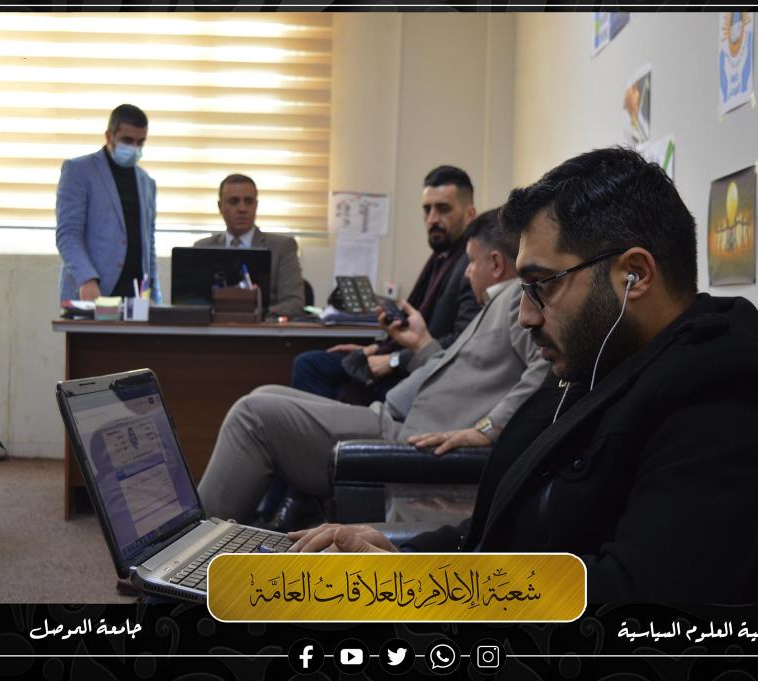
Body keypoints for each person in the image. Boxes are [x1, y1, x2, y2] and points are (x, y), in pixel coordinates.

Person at [286, 147, 758, 605]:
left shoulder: (722, 386)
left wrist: (418, 587)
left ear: (635, 275)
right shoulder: (601, 357)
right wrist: (403, 557)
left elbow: (636, 598)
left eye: (541, 285)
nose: (526, 316)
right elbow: (504, 532)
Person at [197, 209, 546, 524]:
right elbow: (461, 372)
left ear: (495, 264)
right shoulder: (496, 305)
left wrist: (487, 429)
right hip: (397, 418)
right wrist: (422, 344)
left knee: (251, 415)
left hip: (406, 438)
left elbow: (544, 371)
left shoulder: (516, 299)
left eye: (471, 262)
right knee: (265, 392)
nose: (467, 272)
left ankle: (191, 544)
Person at [291, 165, 482, 402]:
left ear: (470, 214)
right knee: (310, 363)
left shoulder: (472, 268)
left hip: (420, 372)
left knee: (312, 368)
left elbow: (461, 343)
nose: (432, 219)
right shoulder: (440, 259)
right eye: (427, 209)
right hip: (402, 358)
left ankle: (328, 424)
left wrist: (392, 360)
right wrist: (374, 350)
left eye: (443, 209)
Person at [56, 104, 162, 303]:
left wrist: (154, 293)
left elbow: (149, 244)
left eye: (140, 142)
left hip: (137, 298)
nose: (134, 148)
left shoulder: (147, 183)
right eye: (127, 140)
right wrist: (86, 279)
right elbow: (68, 235)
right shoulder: (79, 171)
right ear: (108, 136)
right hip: (92, 292)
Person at [194, 174, 306, 318]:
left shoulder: (282, 247)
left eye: (248, 201)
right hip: (215, 328)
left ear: (256, 206)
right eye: (234, 201)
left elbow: (295, 303)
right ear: (220, 206)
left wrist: (255, 315)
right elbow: (192, 301)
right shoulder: (202, 248)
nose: (242, 208)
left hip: (264, 328)